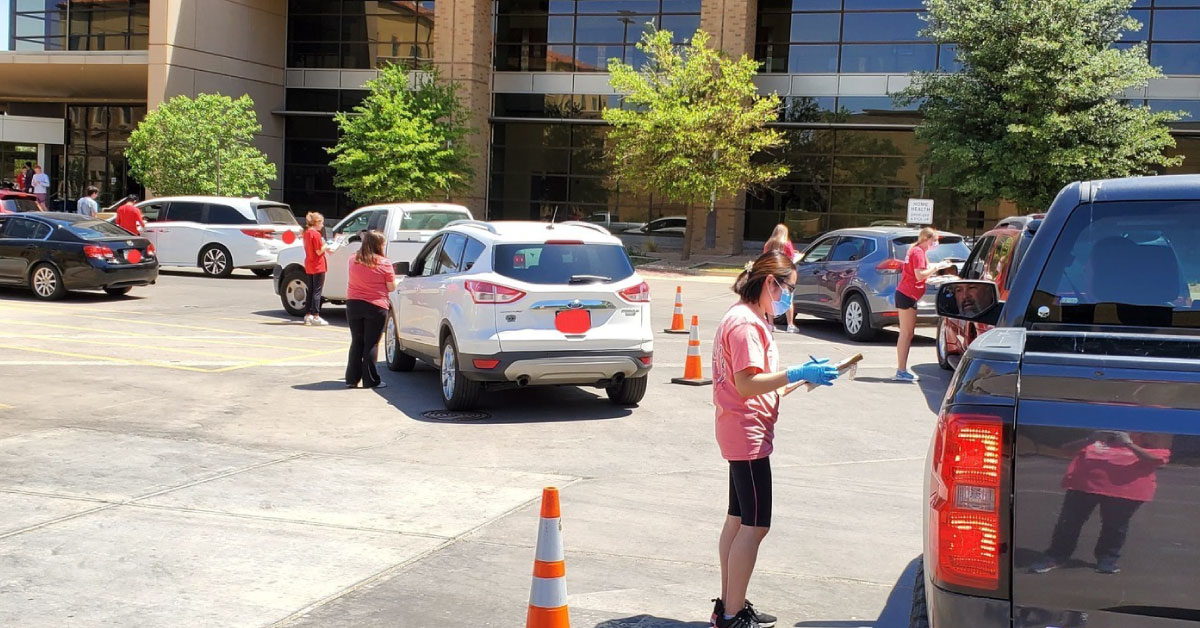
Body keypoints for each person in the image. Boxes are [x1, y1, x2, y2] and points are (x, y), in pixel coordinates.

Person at [709, 249, 840, 628]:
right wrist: (794, 371)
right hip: (746, 434)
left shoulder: (745, 316)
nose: (789, 298)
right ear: (769, 282)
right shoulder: (746, 324)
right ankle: (732, 615)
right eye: (788, 289)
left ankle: (728, 605)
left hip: (740, 429)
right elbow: (747, 383)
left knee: (737, 520)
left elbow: (757, 383)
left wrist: (801, 378)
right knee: (755, 525)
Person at [1032, 431, 1170, 575]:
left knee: (1115, 526)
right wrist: (1090, 439)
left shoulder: (1150, 445)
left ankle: (1107, 559)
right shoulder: (1095, 442)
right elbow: (1066, 450)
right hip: (1083, 487)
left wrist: (1128, 444)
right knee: (1069, 523)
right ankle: (1056, 556)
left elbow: (1155, 461)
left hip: (1125, 492)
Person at [893, 227, 951, 382]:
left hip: (907, 295)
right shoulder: (918, 252)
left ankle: (902, 369)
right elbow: (919, 275)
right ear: (926, 239)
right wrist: (937, 267)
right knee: (906, 334)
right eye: (934, 240)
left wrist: (934, 274)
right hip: (907, 295)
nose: (936, 243)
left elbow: (918, 275)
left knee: (907, 333)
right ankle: (901, 370)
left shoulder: (917, 251)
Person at [345, 230, 396, 389]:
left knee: (357, 341)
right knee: (371, 344)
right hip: (376, 305)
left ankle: (352, 379)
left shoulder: (353, 259)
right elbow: (391, 287)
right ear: (378, 245)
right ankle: (371, 380)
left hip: (353, 304)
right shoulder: (384, 263)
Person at [762, 225, 798, 333]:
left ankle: (771, 324)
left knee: (771, 298)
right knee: (787, 298)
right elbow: (791, 258)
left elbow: (765, 257)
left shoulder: (768, 244)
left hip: (771, 272)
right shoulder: (786, 244)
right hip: (784, 272)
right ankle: (790, 324)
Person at [303, 212, 331, 326]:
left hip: (309, 264)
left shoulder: (306, 233)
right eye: (322, 222)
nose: (323, 225)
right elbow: (319, 251)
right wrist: (327, 245)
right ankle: (316, 315)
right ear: (317, 222)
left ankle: (308, 315)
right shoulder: (316, 234)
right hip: (318, 265)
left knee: (310, 290)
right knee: (317, 291)